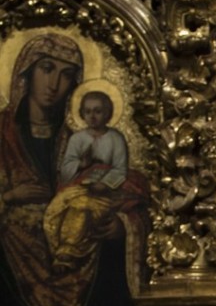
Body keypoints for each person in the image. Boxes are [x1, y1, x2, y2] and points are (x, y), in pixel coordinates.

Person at [0, 34, 148, 306]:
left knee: (104, 254)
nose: (54, 83)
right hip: (11, 271)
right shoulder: (2, 135)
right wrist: (9, 198)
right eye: (47, 69)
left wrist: (121, 228)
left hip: (80, 267)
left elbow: (125, 193)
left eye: (66, 75)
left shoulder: (81, 140)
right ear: (25, 73)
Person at [43, 89, 147, 274]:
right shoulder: (77, 139)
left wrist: (105, 184)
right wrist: (82, 164)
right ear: (82, 114)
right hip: (80, 186)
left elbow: (120, 168)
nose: (92, 116)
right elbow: (66, 172)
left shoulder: (115, 138)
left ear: (108, 113)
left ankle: (69, 253)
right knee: (65, 207)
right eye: (88, 111)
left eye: (98, 111)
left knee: (88, 208)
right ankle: (65, 251)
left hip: (108, 186)